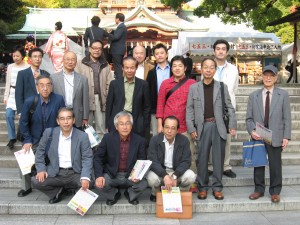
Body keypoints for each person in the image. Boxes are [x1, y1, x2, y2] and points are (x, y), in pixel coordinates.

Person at [186, 57, 237, 200]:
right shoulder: (194, 87)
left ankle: (217, 187)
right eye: (205, 67)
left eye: (211, 67)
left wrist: (232, 125)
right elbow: (189, 109)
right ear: (201, 69)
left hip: (218, 126)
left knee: (218, 159)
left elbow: (229, 107)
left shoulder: (222, 87)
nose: (208, 70)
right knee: (201, 159)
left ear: (215, 70)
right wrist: (191, 128)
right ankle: (202, 187)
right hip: (202, 127)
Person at [246, 65, 291, 203]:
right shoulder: (254, 96)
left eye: (271, 76)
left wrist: (286, 136)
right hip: (259, 135)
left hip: (276, 134)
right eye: (265, 75)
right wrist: (252, 130)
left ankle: (275, 191)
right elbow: (248, 118)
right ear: (262, 77)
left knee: (275, 165)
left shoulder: (283, 95)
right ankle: (258, 189)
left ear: (276, 78)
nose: (268, 78)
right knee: (258, 163)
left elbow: (287, 118)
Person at [32, 108, 93, 204]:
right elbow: (40, 153)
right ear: (57, 121)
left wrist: (85, 177)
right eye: (62, 119)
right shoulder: (49, 133)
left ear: (73, 120)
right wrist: (41, 169)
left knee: (90, 181)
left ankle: (76, 190)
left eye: (68, 118)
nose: (66, 122)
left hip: (75, 173)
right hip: (55, 172)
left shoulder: (82, 136)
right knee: (36, 181)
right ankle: (58, 192)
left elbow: (87, 157)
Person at [18, 76, 65, 197]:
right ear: (37, 87)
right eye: (42, 85)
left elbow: (63, 119)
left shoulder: (58, 99)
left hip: (53, 138)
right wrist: (27, 140)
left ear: (51, 86)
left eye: (48, 85)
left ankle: (60, 185)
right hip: (35, 139)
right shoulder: (30, 101)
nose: (45, 88)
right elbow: (23, 123)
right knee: (24, 156)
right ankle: (26, 187)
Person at [94, 111, 148, 205]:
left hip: (131, 175)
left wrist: (137, 175)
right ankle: (114, 193)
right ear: (116, 126)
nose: (124, 127)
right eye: (121, 124)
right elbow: (98, 158)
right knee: (98, 184)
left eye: (127, 123)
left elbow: (142, 160)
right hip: (112, 174)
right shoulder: (107, 138)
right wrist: (99, 176)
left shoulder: (140, 140)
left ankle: (130, 193)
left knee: (143, 184)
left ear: (131, 126)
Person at [156, 55, 197, 172]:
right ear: (171, 68)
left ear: (185, 68)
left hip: (185, 126)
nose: (177, 68)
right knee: (166, 155)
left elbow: (195, 106)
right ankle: (166, 180)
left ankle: (191, 181)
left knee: (189, 154)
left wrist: (194, 127)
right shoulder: (165, 83)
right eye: (174, 66)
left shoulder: (192, 83)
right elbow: (160, 105)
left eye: (180, 66)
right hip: (168, 126)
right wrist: (160, 125)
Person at [208, 39, 239, 178]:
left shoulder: (233, 69)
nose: (220, 51)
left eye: (223, 49)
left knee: (226, 138)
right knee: (209, 137)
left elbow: (234, 89)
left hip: (227, 109)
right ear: (214, 51)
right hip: (210, 107)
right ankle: (209, 166)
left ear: (227, 52)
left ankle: (226, 166)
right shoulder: (208, 67)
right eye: (218, 48)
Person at [146, 116, 196, 202]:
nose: (169, 131)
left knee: (191, 176)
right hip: (160, 172)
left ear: (177, 130)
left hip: (176, 172)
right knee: (151, 178)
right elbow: (152, 161)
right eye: (167, 127)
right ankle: (156, 193)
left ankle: (180, 192)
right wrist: (165, 175)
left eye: (173, 128)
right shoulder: (155, 140)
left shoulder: (184, 140)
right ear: (163, 128)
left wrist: (175, 175)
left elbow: (186, 161)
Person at [106, 56, 150, 138]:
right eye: (126, 68)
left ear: (136, 68)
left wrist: (145, 124)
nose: (129, 70)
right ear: (122, 68)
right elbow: (109, 105)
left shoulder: (143, 84)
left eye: (132, 68)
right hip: (118, 120)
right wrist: (108, 124)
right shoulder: (114, 84)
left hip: (136, 121)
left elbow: (147, 107)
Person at [75, 40, 112, 137]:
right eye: (94, 48)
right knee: (87, 127)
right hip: (86, 98)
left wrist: (106, 95)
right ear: (90, 49)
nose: (97, 50)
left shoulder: (105, 64)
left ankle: (101, 149)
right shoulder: (81, 63)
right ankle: (88, 150)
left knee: (101, 126)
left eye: (99, 48)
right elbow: (76, 82)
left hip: (101, 98)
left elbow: (109, 82)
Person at [51, 51, 89, 129]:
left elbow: (85, 99)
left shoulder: (83, 79)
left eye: (73, 59)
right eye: (68, 59)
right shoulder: (53, 78)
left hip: (77, 114)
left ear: (76, 62)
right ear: (63, 61)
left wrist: (85, 117)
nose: (70, 62)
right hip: (59, 113)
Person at [3, 46, 29, 150]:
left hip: (22, 95)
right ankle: (12, 137)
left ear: (22, 56)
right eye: (14, 56)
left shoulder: (27, 67)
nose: (15, 58)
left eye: (17, 56)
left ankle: (22, 135)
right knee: (9, 115)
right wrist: (6, 95)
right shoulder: (10, 67)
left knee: (22, 117)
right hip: (12, 94)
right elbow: (8, 82)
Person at [15, 47, 50, 115]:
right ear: (30, 59)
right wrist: (20, 112)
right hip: (28, 109)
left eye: (40, 57)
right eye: (35, 56)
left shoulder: (46, 74)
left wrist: (40, 77)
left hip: (44, 109)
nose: (37, 59)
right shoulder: (22, 74)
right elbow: (18, 94)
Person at [146, 43, 171, 137]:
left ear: (166, 54)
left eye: (162, 53)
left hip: (172, 106)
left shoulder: (173, 69)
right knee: (157, 134)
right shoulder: (151, 73)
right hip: (156, 108)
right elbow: (148, 91)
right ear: (154, 56)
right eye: (157, 53)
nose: (160, 55)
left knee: (171, 133)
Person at [108, 13, 127, 79]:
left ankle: (119, 80)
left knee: (117, 66)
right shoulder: (122, 26)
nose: (115, 20)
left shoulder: (121, 26)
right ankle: (118, 78)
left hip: (117, 50)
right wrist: (113, 31)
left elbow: (116, 37)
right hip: (119, 49)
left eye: (115, 18)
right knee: (118, 65)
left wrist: (108, 34)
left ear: (118, 19)